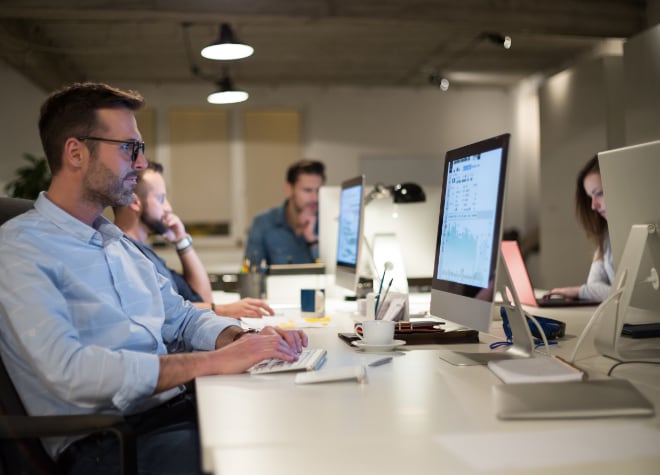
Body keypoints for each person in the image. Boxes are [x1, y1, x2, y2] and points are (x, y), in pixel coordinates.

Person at [0, 82, 307, 475]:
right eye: (129, 148)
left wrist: (242, 340)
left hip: (170, 415)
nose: (141, 163)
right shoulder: (21, 247)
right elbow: (70, 373)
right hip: (110, 442)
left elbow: (181, 317)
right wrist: (212, 362)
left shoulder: (115, 242)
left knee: (294, 423)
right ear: (76, 152)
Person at [113, 161, 274, 318]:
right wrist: (224, 310)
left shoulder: (146, 252)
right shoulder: (126, 256)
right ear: (135, 202)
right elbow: (163, 310)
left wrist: (182, 242)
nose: (168, 208)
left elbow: (202, 298)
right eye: (161, 199)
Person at [544, 155, 615, 302]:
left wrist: (579, 291)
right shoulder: (606, 233)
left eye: (600, 194)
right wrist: (587, 291)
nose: (593, 206)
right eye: (590, 197)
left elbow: (632, 297)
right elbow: (594, 284)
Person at [244, 159, 325, 265]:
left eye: (319, 191)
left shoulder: (328, 223)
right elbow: (251, 272)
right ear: (289, 190)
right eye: (307, 190)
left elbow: (332, 273)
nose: (315, 198)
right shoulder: (263, 223)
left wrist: (312, 240)